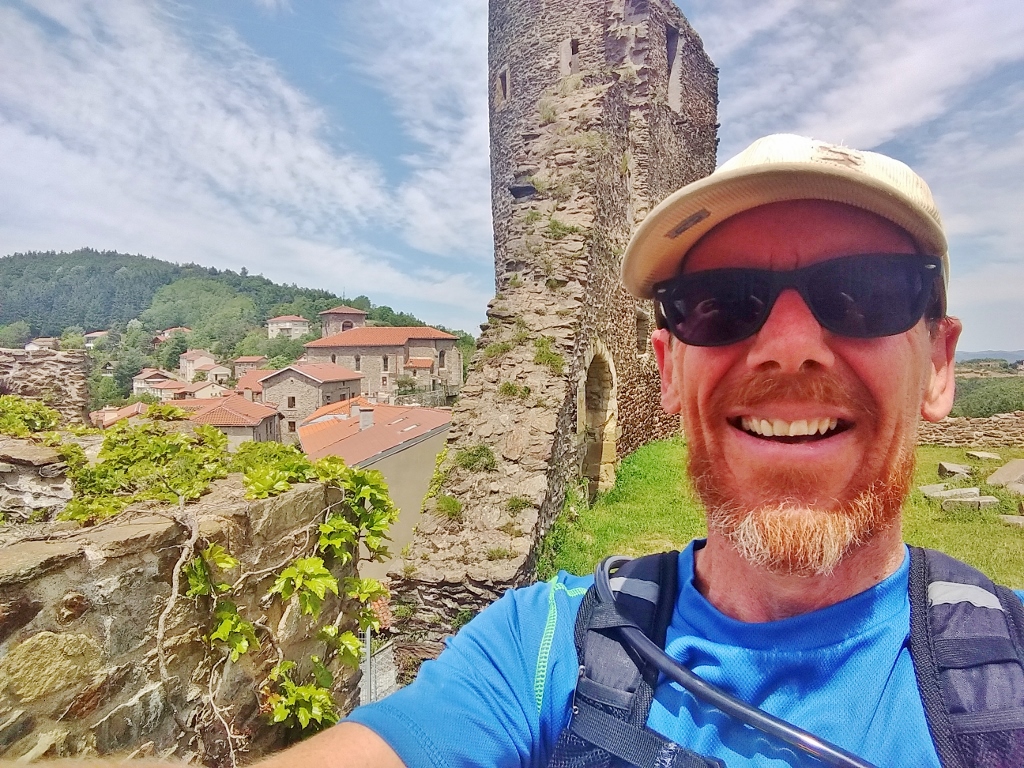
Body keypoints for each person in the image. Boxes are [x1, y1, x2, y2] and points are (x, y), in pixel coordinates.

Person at [262, 135, 1015, 767]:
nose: (789, 348)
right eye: (720, 303)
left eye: (864, 293)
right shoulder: (542, 649)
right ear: (667, 369)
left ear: (940, 366)